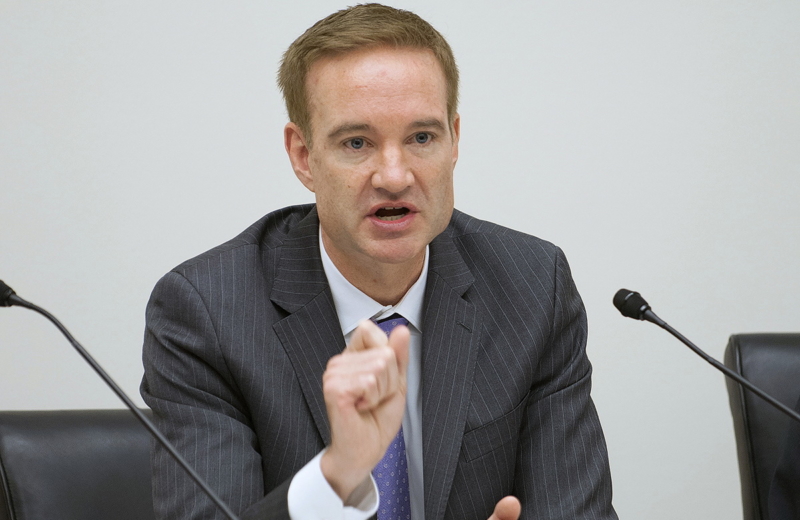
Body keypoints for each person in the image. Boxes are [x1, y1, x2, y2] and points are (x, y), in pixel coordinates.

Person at [140, 4, 617, 520]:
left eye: (421, 138)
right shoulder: (208, 313)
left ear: (454, 140)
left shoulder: (532, 287)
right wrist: (336, 475)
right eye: (357, 142)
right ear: (303, 155)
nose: (394, 176)